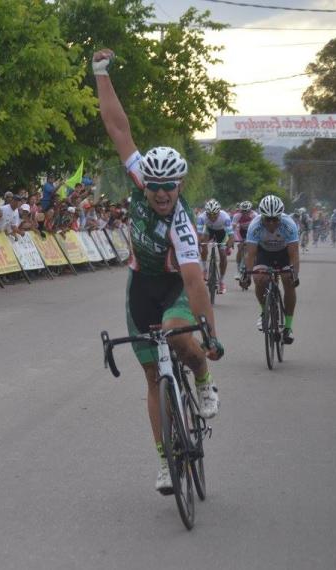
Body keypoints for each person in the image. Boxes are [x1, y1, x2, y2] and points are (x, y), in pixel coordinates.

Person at [93, 47, 223, 494]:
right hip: (141, 285)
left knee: (182, 340)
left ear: (180, 185)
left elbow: (193, 281)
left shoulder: (183, 227)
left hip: (176, 288)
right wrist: (100, 73)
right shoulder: (141, 178)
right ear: (146, 181)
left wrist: (210, 334)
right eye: (156, 187)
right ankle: (166, 460)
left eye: (170, 187)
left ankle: (202, 380)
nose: (162, 194)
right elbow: (117, 128)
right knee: (152, 375)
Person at [241, 195, 300, 345]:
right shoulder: (255, 226)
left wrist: (294, 274)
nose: (271, 223)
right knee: (259, 279)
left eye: (275, 219)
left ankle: (288, 327)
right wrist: (247, 275)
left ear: (281, 217)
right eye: (267, 219)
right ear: (262, 217)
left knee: (288, 281)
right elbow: (251, 254)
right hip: (264, 253)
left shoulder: (289, 225)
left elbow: (294, 254)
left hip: (283, 253)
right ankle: (264, 312)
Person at [197, 199, 234, 294]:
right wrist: (199, 243)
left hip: (222, 233)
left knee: (223, 255)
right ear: (206, 213)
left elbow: (231, 236)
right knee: (203, 245)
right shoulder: (202, 217)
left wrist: (228, 246)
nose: (212, 217)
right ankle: (204, 269)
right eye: (210, 215)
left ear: (219, 212)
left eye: (215, 215)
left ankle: (221, 281)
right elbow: (199, 234)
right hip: (209, 231)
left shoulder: (225, 217)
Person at [232, 201, 256, 275]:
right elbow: (233, 229)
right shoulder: (237, 216)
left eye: (247, 212)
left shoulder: (254, 215)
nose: (245, 213)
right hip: (241, 231)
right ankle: (238, 267)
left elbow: (256, 229)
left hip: (251, 231)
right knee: (240, 247)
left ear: (251, 210)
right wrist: (235, 239)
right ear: (240, 211)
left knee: (253, 249)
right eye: (243, 211)